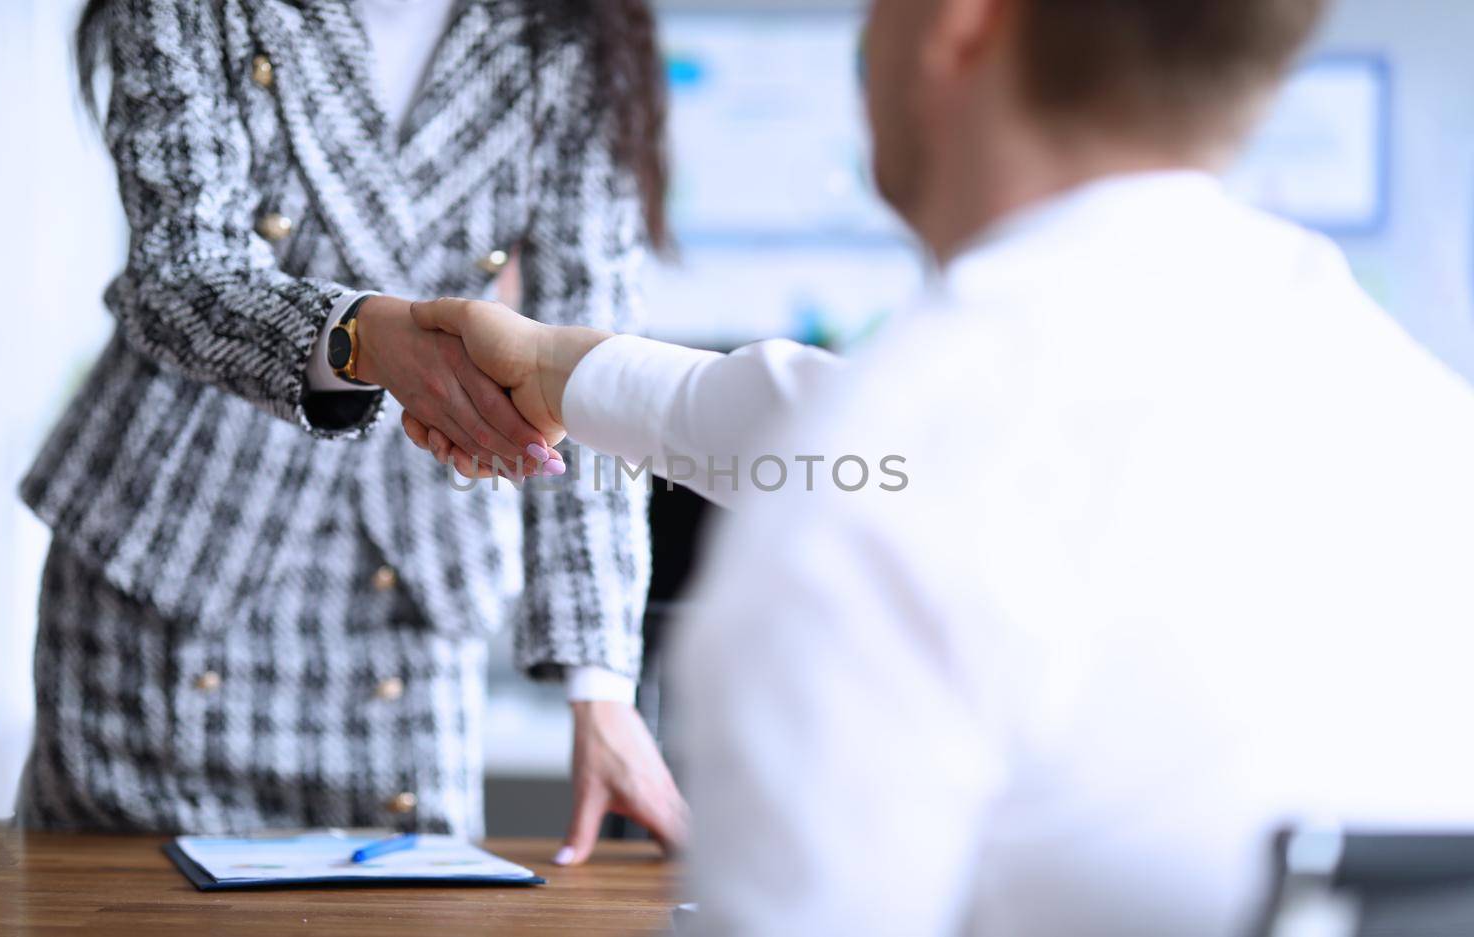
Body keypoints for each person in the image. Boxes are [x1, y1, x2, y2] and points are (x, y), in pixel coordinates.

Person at [398, 0, 1474, 933]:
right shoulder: (1416, 421)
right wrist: (549, 364)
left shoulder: (870, 512)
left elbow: (893, 464)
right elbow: (865, 441)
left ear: (963, 26)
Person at [15, 0, 688, 863]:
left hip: (408, 587)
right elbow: (179, 270)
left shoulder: (564, 30)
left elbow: (593, 361)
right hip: (172, 561)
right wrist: (358, 334)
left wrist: (605, 689)